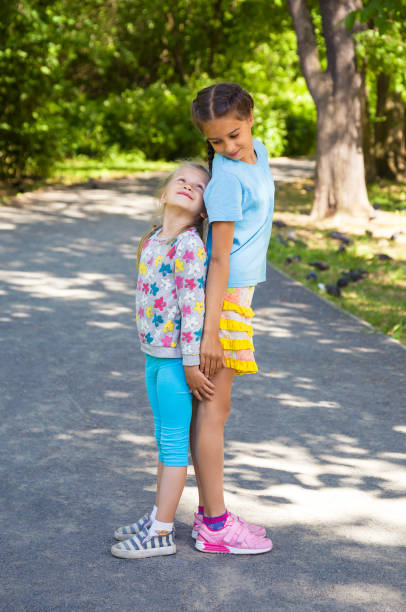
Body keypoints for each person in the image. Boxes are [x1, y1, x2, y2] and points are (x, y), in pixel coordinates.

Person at [111, 163, 215, 559]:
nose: (189, 186)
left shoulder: (188, 245)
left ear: (204, 208)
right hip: (153, 358)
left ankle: (162, 532)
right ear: (164, 194)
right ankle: (158, 513)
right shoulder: (153, 239)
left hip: (174, 363)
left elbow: (193, 309)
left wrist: (191, 363)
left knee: (172, 446)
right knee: (162, 440)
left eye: (199, 187)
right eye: (181, 181)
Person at [189, 82, 274, 554]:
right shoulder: (224, 181)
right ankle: (216, 526)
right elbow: (217, 259)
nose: (228, 147)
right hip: (222, 303)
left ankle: (209, 513)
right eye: (216, 141)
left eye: (234, 135)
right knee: (213, 413)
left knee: (215, 411)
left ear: (251, 118)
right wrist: (210, 333)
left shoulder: (258, 151)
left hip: (238, 299)